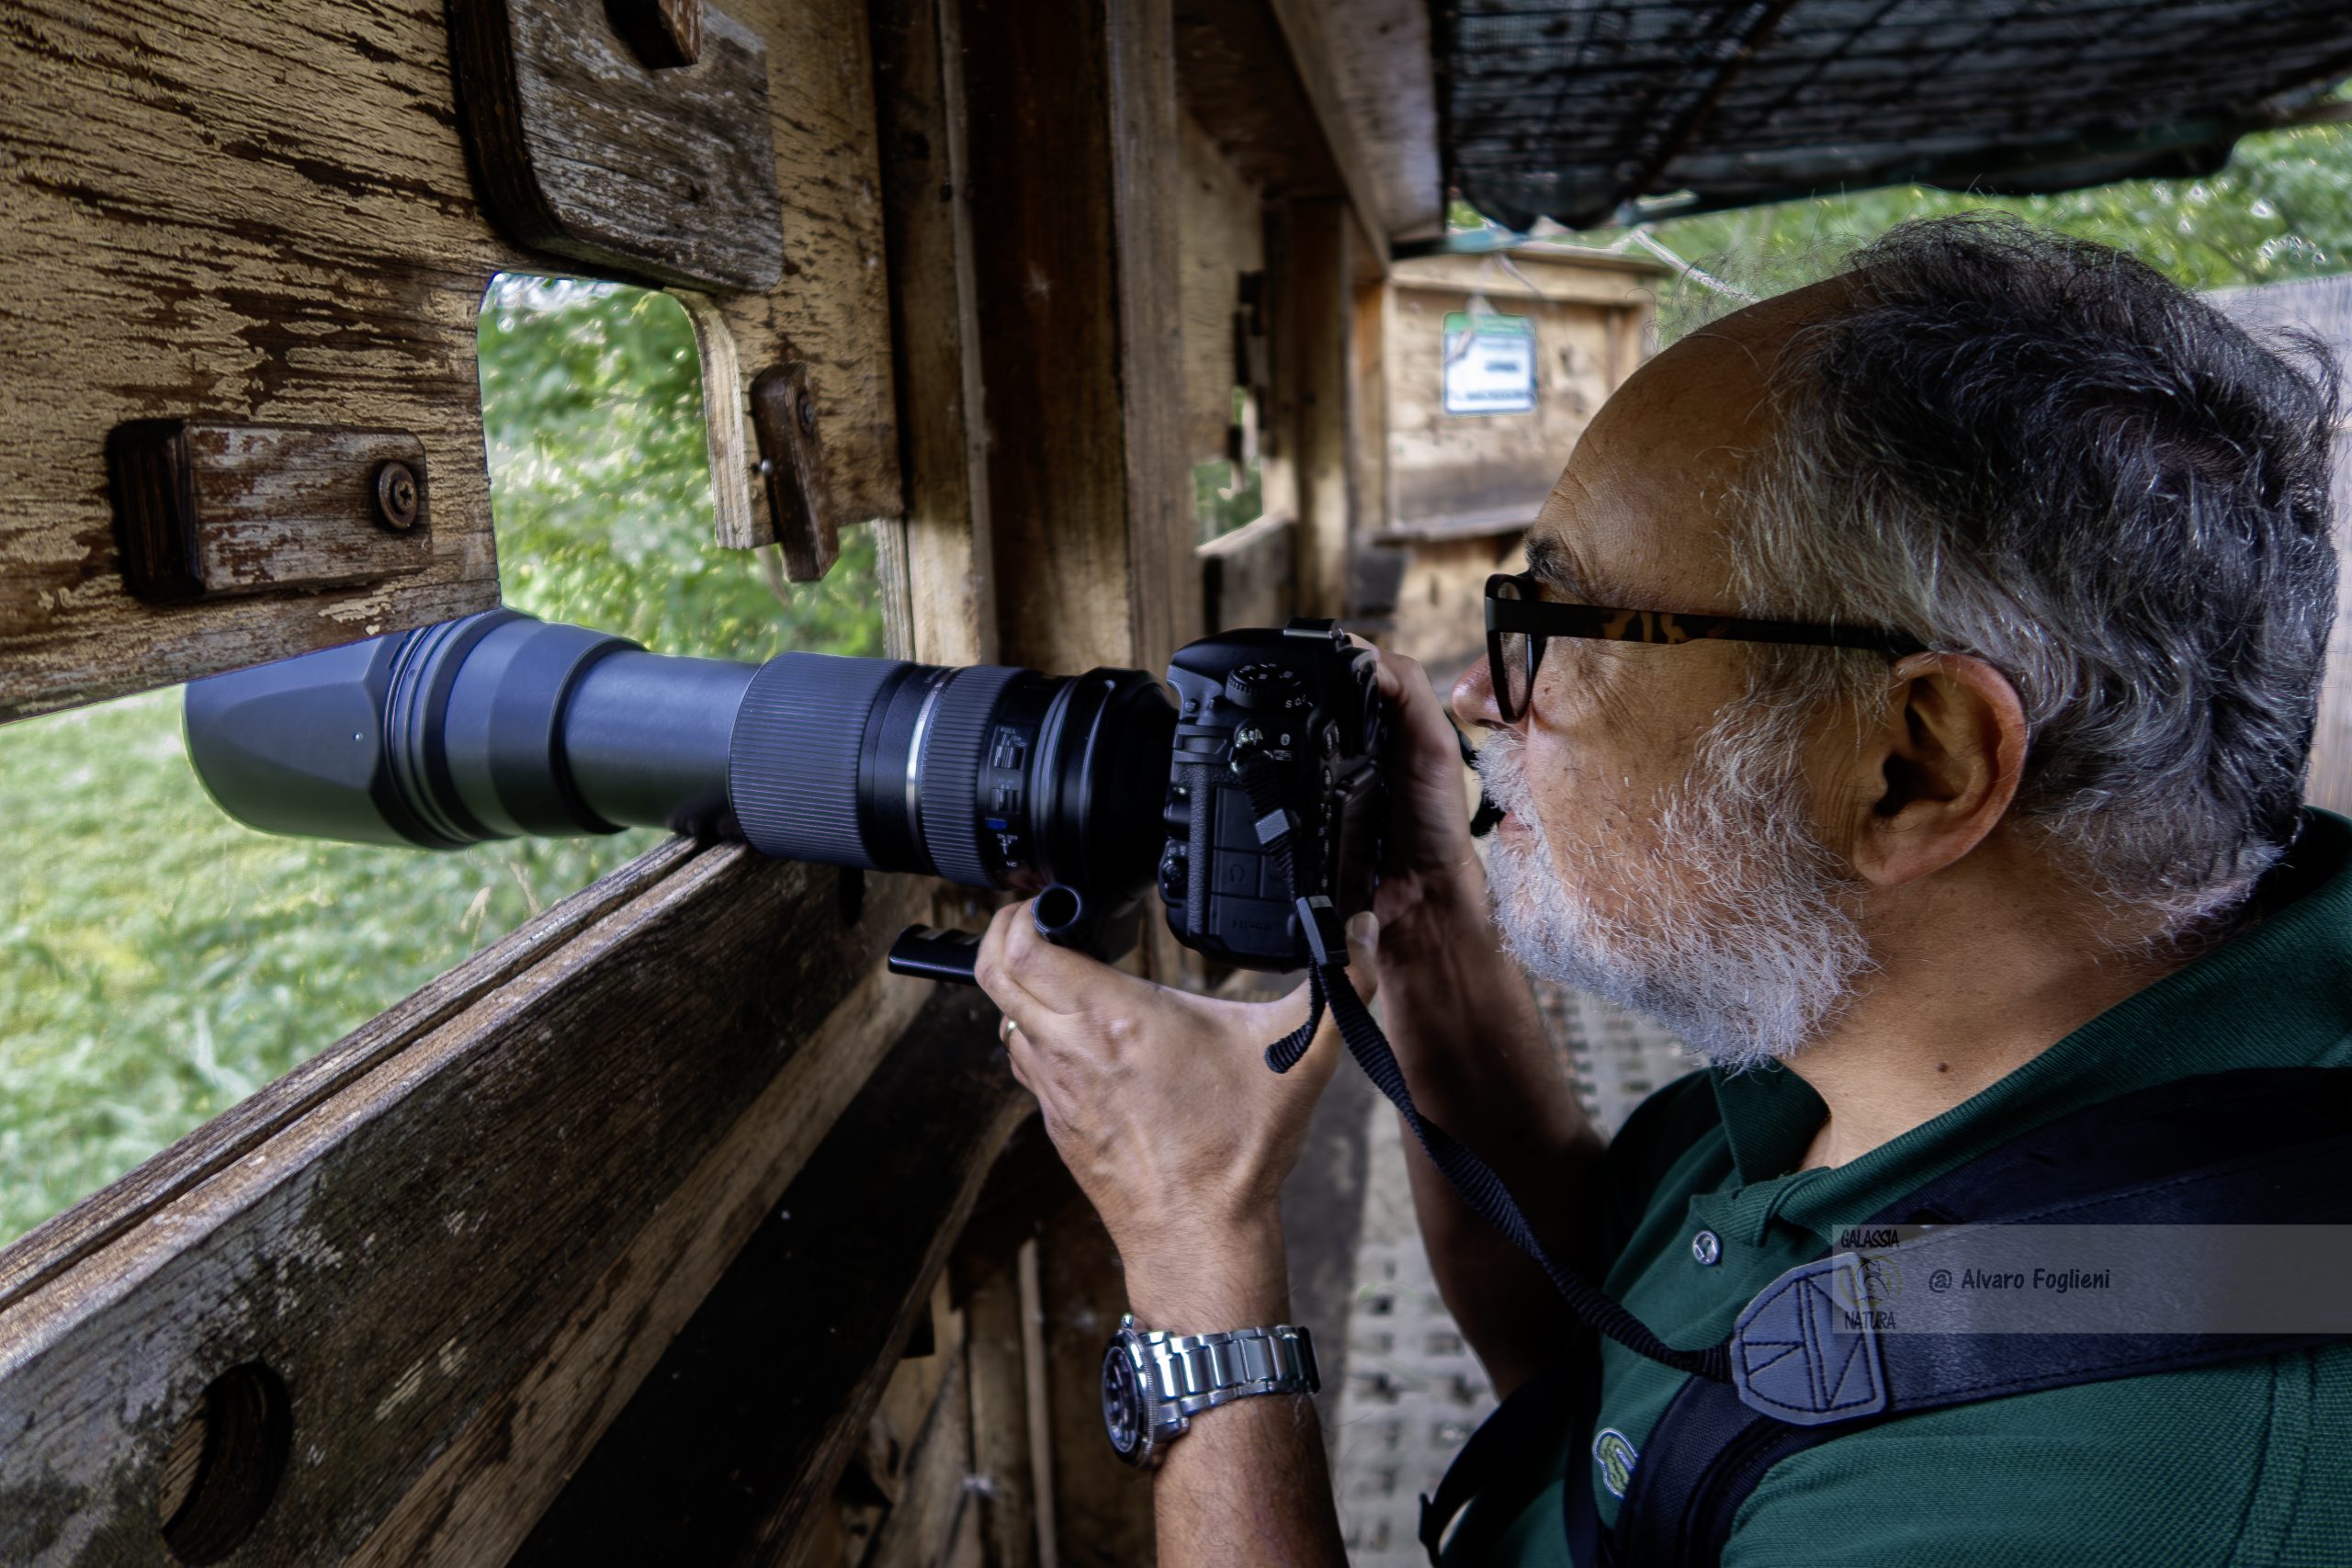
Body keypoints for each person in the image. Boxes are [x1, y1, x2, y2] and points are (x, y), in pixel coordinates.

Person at [972, 214, 2352, 1566]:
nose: (1474, 695)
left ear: (1910, 767)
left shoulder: (2086, 1500)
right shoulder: (1918, 1034)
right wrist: (1435, 921)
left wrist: (1197, 1243)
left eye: (1552, 629)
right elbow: (1610, 1348)